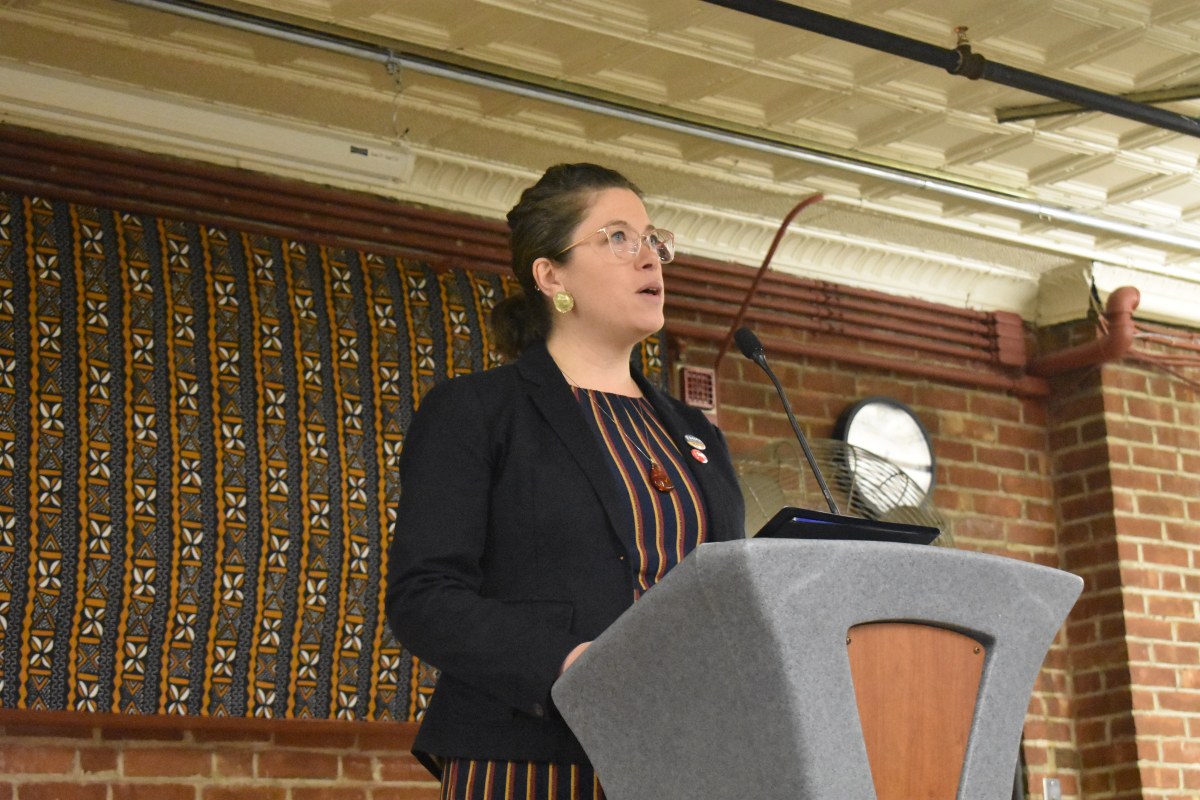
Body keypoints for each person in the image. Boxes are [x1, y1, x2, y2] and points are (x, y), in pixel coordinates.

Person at [385, 163, 746, 799]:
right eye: (617, 238)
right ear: (552, 276)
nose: (649, 258)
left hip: (684, 759)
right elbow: (425, 596)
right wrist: (566, 664)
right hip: (532, 756)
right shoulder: (478, 412)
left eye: (652, 239)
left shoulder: (697, 436)